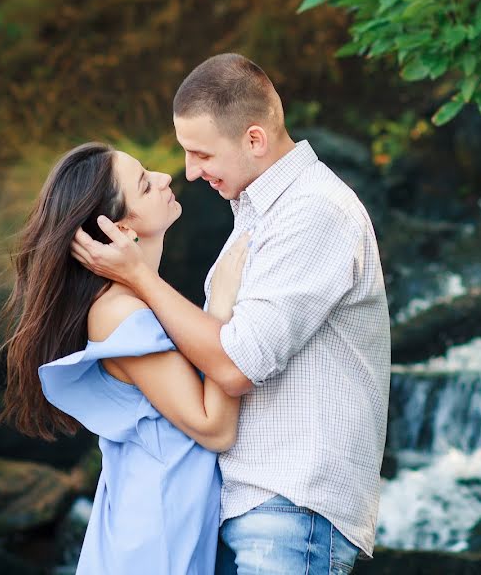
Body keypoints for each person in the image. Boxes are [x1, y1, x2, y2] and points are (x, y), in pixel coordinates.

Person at [70, 53, 391, 574]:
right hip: (249, 507)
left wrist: (142, 277)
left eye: (200, 154)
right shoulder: (255, 218)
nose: (190, 173)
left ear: (254, 139)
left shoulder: (312, 212)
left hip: (290, 505)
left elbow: (236, 367)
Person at [0, 142, 250, 574]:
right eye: (145, 184)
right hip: (154, 537)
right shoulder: (119, 313)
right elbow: (215, 428)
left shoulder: (137, 303)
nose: (165, 178)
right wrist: (223, 308)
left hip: (164, 521)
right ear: (120, 229)